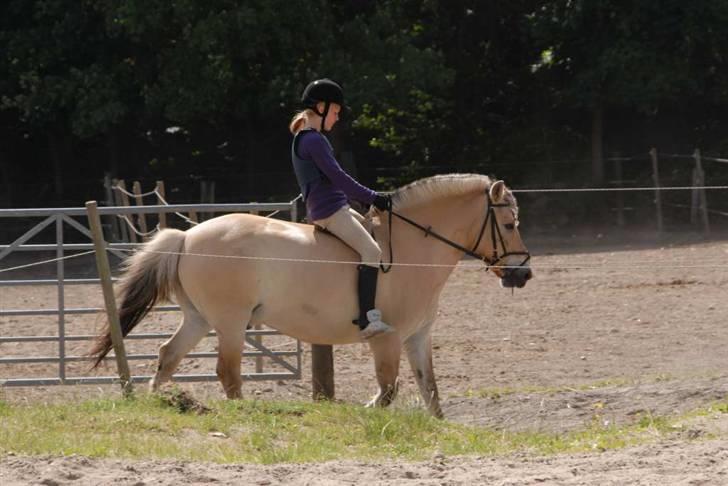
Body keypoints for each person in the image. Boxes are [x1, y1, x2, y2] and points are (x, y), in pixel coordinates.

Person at [289, 78, 393, 340]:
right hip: (330, 211)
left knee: (372, 230)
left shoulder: (308, 138)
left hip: (335, 207)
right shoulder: (314, 140)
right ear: (321, 108)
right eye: (335, 112)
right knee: (371, 250)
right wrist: (373, 197)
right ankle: (367, 319)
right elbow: (339, 177)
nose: (337, 118)